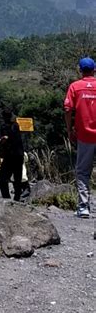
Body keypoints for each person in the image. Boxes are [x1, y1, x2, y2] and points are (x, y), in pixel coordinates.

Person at [64, 56, 96, 218]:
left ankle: (83, 206)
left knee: (83, 172)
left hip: (85, 136)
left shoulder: (75, 87)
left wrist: (69, 129)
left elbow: (67, 109)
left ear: (80, 70)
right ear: (94, 70)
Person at [0, 109, 24, 201]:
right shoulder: (16, 125)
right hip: (19, 154)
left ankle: (6, 198)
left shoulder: (4, 126)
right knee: (17, 178)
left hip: (9, 155)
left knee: (2, 178)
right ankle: (17, 198)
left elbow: (5, 139)